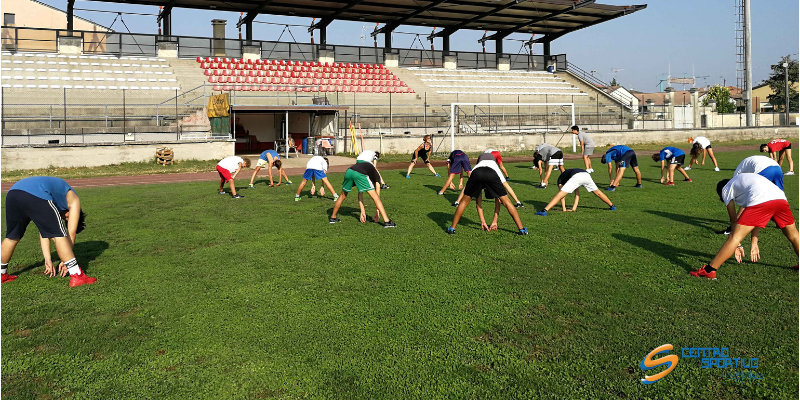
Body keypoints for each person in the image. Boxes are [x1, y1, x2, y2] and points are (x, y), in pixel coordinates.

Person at [690, 173, 799, 279]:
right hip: (780, 197)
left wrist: (738, 244)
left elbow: (733, 220)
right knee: (793, 235)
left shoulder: (726, 189)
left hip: (762, 199)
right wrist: (754, 243)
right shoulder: (744, 184)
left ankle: (709, 270)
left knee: (734, 237)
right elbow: (756, 220)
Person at [1, 176, 97, 287]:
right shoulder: (74, 201)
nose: (65, 218)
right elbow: (70, 233)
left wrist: (47, 258)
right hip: (35, 193)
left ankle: (1, 274)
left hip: (14, 193)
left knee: (12, 237)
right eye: (67, 218)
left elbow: (44, 232)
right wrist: (66, 261)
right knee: (59, 234)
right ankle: (77, 275)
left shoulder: (56, 200)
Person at [446, 155, 528, 235]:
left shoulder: (478, 165)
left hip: (476, 173)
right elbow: (499, 201)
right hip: (491, 173)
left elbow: (478, 203)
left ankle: (452, 228)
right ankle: (521, 229)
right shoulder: (496, 168)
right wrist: (494, 221)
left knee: (464, 202)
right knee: (507, 202)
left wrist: (483, 222)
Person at [716, 155, 785, 235]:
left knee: (755, 198)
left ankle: (736, 225)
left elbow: (746, 197)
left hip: (764, 169)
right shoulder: (741, 173)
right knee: (778, 195)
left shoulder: (736, 178)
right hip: (777, 168)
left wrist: (735, 221)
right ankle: (781, 222)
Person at [329, 161, 396, 228]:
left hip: (349, 172)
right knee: (375, 197)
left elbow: (360, 193)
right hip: (359, 174)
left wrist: (362, 211)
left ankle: (333, 218)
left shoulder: (366, 168)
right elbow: (377, 196)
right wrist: (377, 211)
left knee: (342, 196)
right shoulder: (376, 176)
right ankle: (387, 222)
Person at [453, 153, 524, 208]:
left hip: (487, 160)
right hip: (492, 158)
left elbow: (478, 203)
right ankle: (518, 202)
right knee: (505, 184)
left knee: (469, 185)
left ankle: (457, 202)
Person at [534, 168, 616, 215]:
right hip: (586, 174)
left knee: (559, 194)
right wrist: (573, 209)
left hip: (577, 176)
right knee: (598, 192)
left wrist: (564, 209)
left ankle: (544, 211)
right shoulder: (568, 174)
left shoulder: (560, 180)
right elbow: (577, 193)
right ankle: (612, 206)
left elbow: (561, 196)